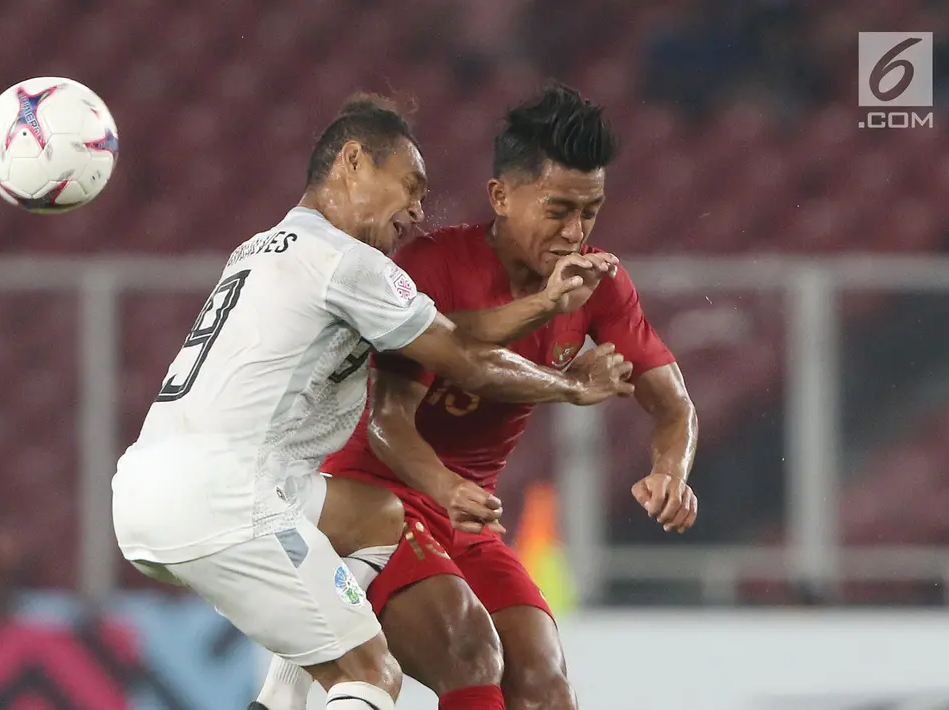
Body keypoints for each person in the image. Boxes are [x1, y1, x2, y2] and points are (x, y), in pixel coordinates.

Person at [111, 93, 636, 710]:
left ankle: (278, 700)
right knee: (369, 674)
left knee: (376, 517)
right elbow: (461, 355)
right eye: (409, 184)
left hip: (156, 482)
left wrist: (544, 305)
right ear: (353, 161)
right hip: (229, 495)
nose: (416, 209)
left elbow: (449, 329)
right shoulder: (347, 262)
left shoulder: (261, 249)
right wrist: (573, 387)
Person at [252, 84, 699, 710]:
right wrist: (446, 486)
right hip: (380, 506)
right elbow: (386, 422)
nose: (575, 231)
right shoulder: (429, 266)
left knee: (543, 686)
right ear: (501, 196)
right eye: (558, 209)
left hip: (466, 518)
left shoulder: (599, 281)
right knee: (469, 653)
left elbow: (673, 404)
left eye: (591, 212)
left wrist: (670, 472)